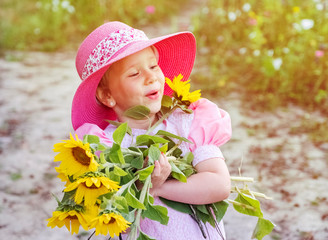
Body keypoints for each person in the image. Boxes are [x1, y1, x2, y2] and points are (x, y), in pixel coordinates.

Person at [72, 21, 232, 239]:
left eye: (153, 66)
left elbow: (220, 184)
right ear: (107, 95)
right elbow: (114, 219)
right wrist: (140, 184)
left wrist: (158, 188)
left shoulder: (185, 124)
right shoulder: (105, 149)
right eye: (134, 73)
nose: (150, 77)